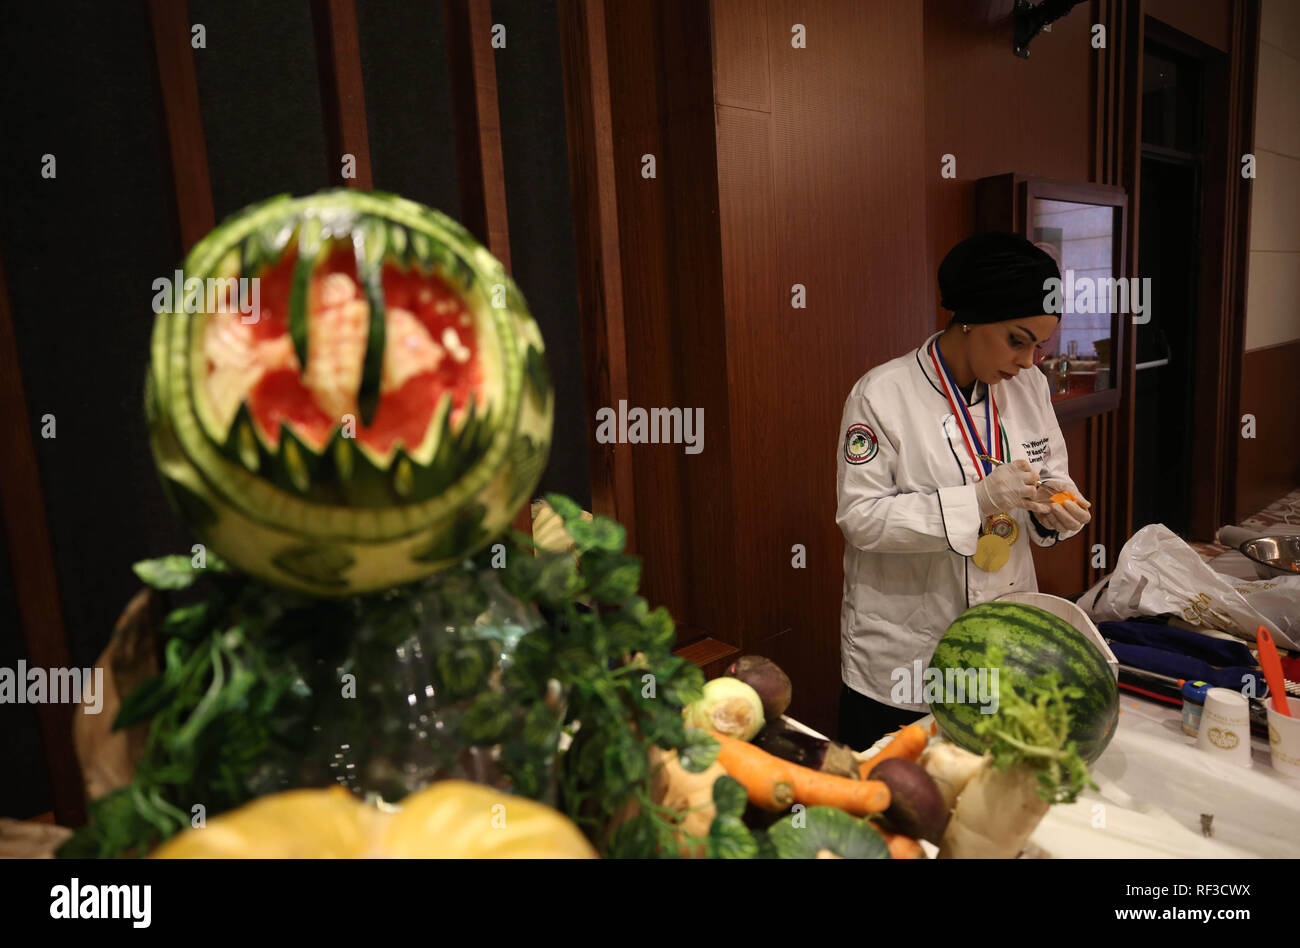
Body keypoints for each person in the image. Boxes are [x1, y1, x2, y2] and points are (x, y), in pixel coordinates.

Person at [834, 231, 1094, 750]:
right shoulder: (881, 395)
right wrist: (976, 502)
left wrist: (1052, 508)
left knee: (981, 795)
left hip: (1004, 635)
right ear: (970, 316)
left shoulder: (1029, 386)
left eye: (1040, 345)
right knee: (898, 797)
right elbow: (860, 518)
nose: (1028, 361)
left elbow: (1049, 470)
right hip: (906, 648)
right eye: (1017, 340)